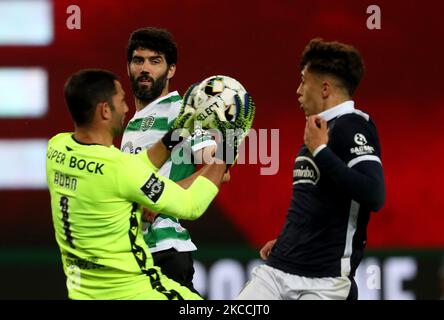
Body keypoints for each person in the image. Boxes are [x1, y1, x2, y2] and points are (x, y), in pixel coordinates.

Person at [46, 69, 228, 299]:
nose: (125, 108)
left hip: (85, 293)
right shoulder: (121, 169)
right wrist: (229, 145)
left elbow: (135, 167)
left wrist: (180, 128)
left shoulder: (56, 149)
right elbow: (191, 205)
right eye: (121, 101)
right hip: (135, 291)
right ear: (104, 110)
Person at [237, 38, 386, 300]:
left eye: (304, 81)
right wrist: (290, 240)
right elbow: (316, 201)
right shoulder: (319, 130)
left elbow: (374, 194)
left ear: (325, 88)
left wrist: (321, 151)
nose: (298, 90)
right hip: (278, 269)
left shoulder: (353, 126)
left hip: (324, 282)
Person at [121, 27, 221, 294]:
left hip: (165, 250)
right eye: (138, 60)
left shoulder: (181, 112)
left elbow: (218, 169)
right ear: (128, 66)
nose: (145, 68)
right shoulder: (131, 122)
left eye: (155, 61)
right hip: (137, 250)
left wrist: (163, 199)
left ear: (171, 70)